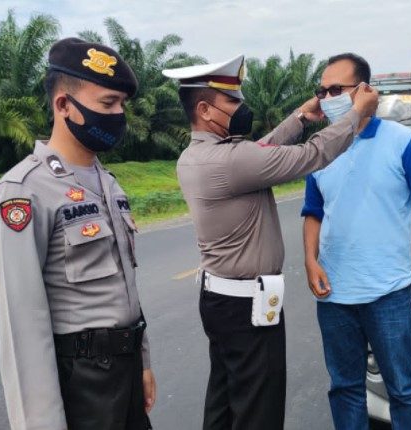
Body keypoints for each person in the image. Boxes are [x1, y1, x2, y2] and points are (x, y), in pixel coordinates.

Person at [162, 54, 379, 430]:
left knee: (226, 400)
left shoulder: (198, 156)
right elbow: (314, 154)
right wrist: (355, 114)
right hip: (247, 304)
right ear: (205, 109)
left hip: (222, 300)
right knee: (257, 409)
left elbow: (258, 152)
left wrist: (299, 117)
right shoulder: (231, 161)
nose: (241, 107)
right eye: (231, 101)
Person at [0, 38, 155, 430]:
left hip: (124, 373)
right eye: (108, 104)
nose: (119, 115)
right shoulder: (23, 192)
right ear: (64, 105)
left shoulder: (108, 184)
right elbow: (22, 325)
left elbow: (125, 284)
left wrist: (142, 362)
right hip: (81, 383)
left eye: (121, 106)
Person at [301, 53, 411, 430]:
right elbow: (313, 211)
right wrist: (310, 260)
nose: (329, 96)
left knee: (402, 390)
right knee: (345, 388)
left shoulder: (403, 142)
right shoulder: (322, 147)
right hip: (334, 296)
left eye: (337, 89)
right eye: (323, 90)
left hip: (389, 293)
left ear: (365, 91)